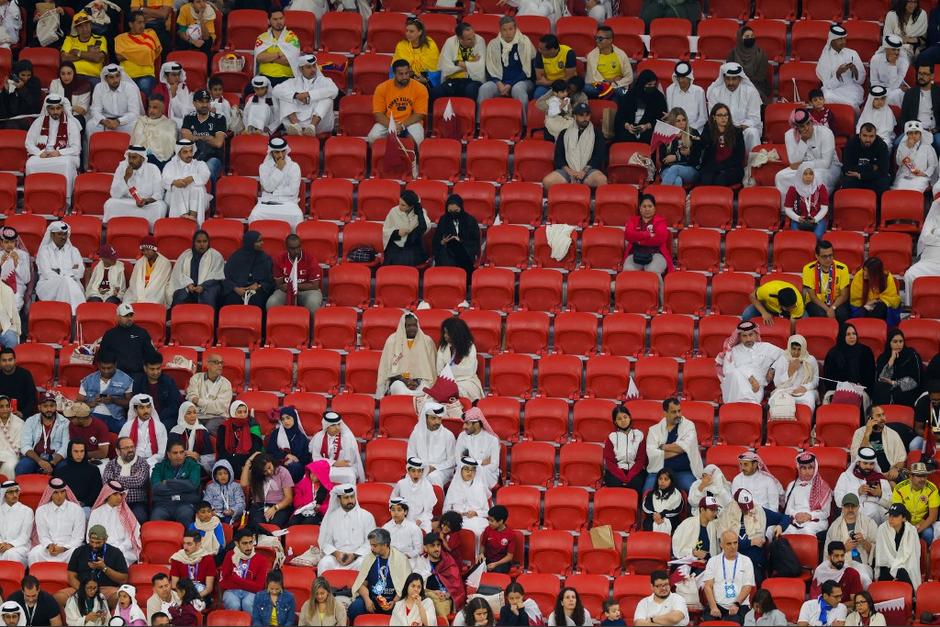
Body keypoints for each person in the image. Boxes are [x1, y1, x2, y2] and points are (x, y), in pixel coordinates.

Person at [25, 97, 81, 206]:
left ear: (62, 108)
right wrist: (40, 153)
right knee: (30, 164)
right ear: (47, 109)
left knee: (65, 164)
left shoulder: (71, 123)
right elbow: (29, 143)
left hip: (65, 155)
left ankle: (65, 200)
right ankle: (34, 198)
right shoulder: (39, 122)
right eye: (52, 109)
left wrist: (59, 153)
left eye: (58, 108)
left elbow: (76, 148)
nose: (55, 111)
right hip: (43, 154)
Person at [776, 108, 842, 200]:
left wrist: (804, 165)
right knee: (780, 176)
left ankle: (815, 209)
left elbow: (826, 163)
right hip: (802, 168)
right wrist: (803, 140)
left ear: (812, 121)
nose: (806, 128)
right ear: (796, 127)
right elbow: (793, 162)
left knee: (815, 177)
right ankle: (787, 209)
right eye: (802, 126)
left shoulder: (825, 133)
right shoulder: (789, 135)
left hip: (828, 168)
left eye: (808, 123)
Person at [346, 527, 410, 622]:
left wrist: (394, 602)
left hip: (393, 600)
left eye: (374, 546)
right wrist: (367, 600)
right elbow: (362, 584)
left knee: (405, 610)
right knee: (355, 608)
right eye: (371, 545)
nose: (371, 549)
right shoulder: (369, 558)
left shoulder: (401, 559)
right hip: (372, 599)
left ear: (385, 545)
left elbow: (405, 587)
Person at [59, 524, 129, 608]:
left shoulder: (115, 553)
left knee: (120, 598)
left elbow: (123, 578)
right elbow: (71, 576)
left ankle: (112, 620)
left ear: (105, 539)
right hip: (82, 588)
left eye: (98, 543)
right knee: (58, 597)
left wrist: (104, 568)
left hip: (106, 589)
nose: (94, 545)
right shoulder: (79, 551)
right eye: (92, 542)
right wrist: (83, 590)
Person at [542, 100, 608, 189]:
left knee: (601, 180)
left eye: (587, 115)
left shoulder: (597, 133)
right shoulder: (564, 133)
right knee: (547, 181)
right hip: (568, 171)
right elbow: (559, 157)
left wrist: (583, 172)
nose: (585, 118)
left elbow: (599, 156)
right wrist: (570, 172)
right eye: (581, 115)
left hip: (588, 171)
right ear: (575, 116)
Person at [717, 321, 785, 404]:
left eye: (750, 335)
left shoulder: (766, 347)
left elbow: (785, 356)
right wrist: (750, 377)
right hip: (735, 388)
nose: (748, 339)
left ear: (756, 334)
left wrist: (773, 368)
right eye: (744, 336)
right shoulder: (733, 351)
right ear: (739, 337)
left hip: (756, 389)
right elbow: (727, 371)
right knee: (735, 372)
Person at [644, 398, 703, 494]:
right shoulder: (654, 430)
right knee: (648, 492)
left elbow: (685, 447)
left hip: (683, 471)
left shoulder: (689, 426)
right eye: (673, 412)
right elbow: (652, 454)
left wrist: (662, 447)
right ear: (665, 413)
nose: (678, 415)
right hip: (659, 473)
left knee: (693, 491)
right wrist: (681, 449)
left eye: (679, 411)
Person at [478, 17, 536, 115]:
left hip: (521, 81)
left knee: (518, 89)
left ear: (515, 29)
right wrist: (498, 83)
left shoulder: (525, 42)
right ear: (500, 30)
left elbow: (528, 71)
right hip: (500, 84)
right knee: (484, 88)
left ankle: (524, 125)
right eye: (504, 30)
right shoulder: (493, 44)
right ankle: (480, 124)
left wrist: (511, 84)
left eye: (510, 29)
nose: (508, 33)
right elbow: (489, 69)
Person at [272, 53, 337, 136]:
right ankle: (296, 126)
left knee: (328, 98)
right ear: (301, 69)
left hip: (318, 125)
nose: (313, 69)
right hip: (297, 122)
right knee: (285, 97)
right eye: (309, 67)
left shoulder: (324, 81)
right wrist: (296, 96)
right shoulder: (293, 82)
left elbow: (334, 90)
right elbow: (276, 90)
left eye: (314, 66)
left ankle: (312, 126)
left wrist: (309, 94)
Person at [104, 146, 167, 229]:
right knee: (110, 204)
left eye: (134, 158)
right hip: (126, 202)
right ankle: (112, 229)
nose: (130, 161)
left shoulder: (153, 169)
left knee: (160, 207)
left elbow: (159, 193)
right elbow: (114, 194)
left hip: (147, 204)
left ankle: (151, 232)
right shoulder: (122, 167)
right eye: (129, 157)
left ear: (142, 159)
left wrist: (147, 201)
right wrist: (126, 178)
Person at [368, 59, 428, 146]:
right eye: (401, 74)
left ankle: (416, 159)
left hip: (411, 122)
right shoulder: (382, 88)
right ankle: (378, 158)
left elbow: (419, 114)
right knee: (373, 137)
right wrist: (392, 126)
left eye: (407, 73)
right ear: (394, 74)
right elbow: (378, 114)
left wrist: (402, 126)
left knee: (417, 139)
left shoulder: (420, 88)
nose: (405, 77)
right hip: (388, 121)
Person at [376, 313, 437, 399]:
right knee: (402, 392)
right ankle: (415, 396)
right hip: (398, 380)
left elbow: (432, 369)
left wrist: (417, 381)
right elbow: (385, 367)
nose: (412, 328)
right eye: (409, 326)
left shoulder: (427, 341)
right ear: (403, 327)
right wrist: (405, 380)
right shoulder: (392, 341)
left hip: (421, 381)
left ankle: (415, 396)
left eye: (414, 325)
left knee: (425, 390)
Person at [317, 484, 376, 572]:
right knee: (324, 563)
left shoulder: (366, 516)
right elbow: (325, 542)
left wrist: (354, 555)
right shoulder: (332, 517)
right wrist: (336, 554)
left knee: (363, 562)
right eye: (346, 498)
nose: (350, 500)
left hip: (358, 557)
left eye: (352, 497)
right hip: (337, 558)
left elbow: (370, 542)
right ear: (339, 499)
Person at [702, 530, 756, 625]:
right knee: (708, 621)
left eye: (735, 543)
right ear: (721, 545)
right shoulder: (713, 561)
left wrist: (736, 604)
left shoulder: (746, 561)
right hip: (718, 604)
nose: (733, 546)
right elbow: (707, 586)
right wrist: (713, 607)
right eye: (729, 544)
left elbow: (747, 587)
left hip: (739, 605)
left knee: (732, 622)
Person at [706, 63, 762, 153]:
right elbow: (713, 117)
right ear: (723, 78)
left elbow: (754, 118)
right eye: (727, 79)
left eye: (734, 79)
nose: (730, 83)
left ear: (740, 78)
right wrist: (727, 129)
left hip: (744, 129)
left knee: (752, 132)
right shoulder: (715, 92)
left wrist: (738, 129)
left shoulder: (750, 92)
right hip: (722, 129)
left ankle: (753, 164)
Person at [29, 477, 85, 567]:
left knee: (76, 554)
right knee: (34, 554)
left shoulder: (77, 509)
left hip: (68, 549)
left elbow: (78, 537)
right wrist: (50, 546)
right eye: (56, 492)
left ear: (66, 492)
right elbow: (43, 535)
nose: (59, 496)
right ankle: (39, 579)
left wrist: (63, 548)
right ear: (50, 493)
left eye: (62, 492)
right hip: (49, 548)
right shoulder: (41, 510)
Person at [249, 139, 304, 230]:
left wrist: (273, 192)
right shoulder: (263, 167)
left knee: (297, 216)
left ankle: (291, 243)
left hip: (288, 203)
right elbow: (268, 187)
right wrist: (279, 169)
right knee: (255, 215)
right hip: (267, 203)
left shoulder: (294, 167)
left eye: (283, 151)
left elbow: (293, 191)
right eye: (277, 152)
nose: (281, 155)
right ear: (271, 152)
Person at [87, 481, 142, 564]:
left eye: (120, 494)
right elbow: (90, 537)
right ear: (107, 495)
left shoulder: (126, 513)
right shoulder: (96, 512)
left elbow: (131, 538)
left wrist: (120, 549)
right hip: (101, 550)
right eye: (115, 494)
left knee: (120, 559)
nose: (119, 497)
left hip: (123, 551)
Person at [834, 448, 892, 525]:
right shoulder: (846, 476)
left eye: (871, 464)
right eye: (865, 463)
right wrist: (857, 492)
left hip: (876, 520)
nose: (868, 466)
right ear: (858, 462)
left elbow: (891, 504)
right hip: (852, 517)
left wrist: (880, 494)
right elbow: (838, 501)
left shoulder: (881, 479)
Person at [415, 531, 465, 619]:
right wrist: (432, 592)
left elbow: (456, 585)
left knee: (436, 603)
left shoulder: (448, 561)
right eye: (432, 546)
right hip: (427, 595)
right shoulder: (421, 562)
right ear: (425, 548)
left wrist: (447, 594)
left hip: (444, 599)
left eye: (438, 545)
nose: (436, 548)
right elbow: (416, 585)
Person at [79, 352, 133, 434]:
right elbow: (78, 403)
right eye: (103, 368)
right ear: (98, 365)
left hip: (116, 417)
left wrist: (113, 400)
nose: (106, 371)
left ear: (115, 365)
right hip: (93, 415)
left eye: (109, 368)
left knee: (128, 431)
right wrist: (90, 404)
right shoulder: (88, 380)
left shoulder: (126, 380)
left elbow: (130, 403)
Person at [17, 391, 69, 475]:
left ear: (56, 406)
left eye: (52, 406)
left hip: (56, 458)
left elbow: (66, 447)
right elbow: (25, 445)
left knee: (65, 469)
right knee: (22, 468)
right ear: (39, 407)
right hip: (35, 457)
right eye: (45, 406)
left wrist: (52, 463)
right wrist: (40, 461)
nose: (49, 409)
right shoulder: (31, 420)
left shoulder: (65, 422)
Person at [850, 406, 908, 482]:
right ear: (869, 419)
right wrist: (867, 433)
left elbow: (902, 459)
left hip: (890, 475)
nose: (883, 418)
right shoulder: (859, 433)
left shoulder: (893, 434)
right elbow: (858, 457)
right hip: (868, 475)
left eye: (883, 415)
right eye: (878, 415)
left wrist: (895, 468)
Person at [822, 323, 876, 403]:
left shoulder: (865, 351)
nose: (852, 336)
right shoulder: (833, 353)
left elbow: (870, 375)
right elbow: (828, 378)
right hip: (838, 390)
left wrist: (860, 385)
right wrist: (841, 386)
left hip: (860, 389)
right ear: (842, 336)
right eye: (848, 334)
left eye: (854, 334)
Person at [150, 441, 201, 525]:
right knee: (156, 519)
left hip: (185, 503)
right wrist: (182, 486)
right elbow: (156, 488)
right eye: (175, 453)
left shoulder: (193, 466)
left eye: (181, 452)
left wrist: (168, 482)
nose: (179, 455)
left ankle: (187, 537)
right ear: (168, 454)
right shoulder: (159, 467)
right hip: (163, 504)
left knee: (186, 515)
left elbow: (192, 485)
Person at [98, 304, 156, 378]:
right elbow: (102, 356)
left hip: (138, 375)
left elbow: (151, 354)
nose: (129, 318)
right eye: (126, 316)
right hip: (116, 376)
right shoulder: (110, 335)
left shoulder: (142, 333)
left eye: (131, 315)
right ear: (118, 317)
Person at [816, 25, 866, 110]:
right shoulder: (825, 58)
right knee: (826, 97)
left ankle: (854, 121)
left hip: (851, 88)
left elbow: (861, 81)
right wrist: (838, 73)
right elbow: (827, 85)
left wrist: (855, 71)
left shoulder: (852, 53)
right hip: (833, 90)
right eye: (840, 39)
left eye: (844, 39)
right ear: (832, 41)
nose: (844, 42)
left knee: (852, 103)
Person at [101, 438, 151, 523]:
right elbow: (108, 483)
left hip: (136, 502)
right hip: (114, 501)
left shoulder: (142, 463)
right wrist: (128, 481)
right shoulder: (111, 464)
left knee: (140, 517)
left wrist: (116, 479)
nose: (130, 450)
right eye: (126, 448)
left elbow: (138, 481)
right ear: (118, 451)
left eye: (132, 447)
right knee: (106, 517)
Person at [162, 139, 212, 224]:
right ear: (178, 153)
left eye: (190, 151)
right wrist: (174, 182)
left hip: (198, 199)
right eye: (185, 152)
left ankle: (193, 216)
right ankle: (182, 216)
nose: (189, 154)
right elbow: (164, 179)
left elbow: (205, 175)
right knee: (176, 187)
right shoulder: (170, 165)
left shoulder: (200, 164)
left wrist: (192, 178)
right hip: (174, 199)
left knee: (197, 187)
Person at [782, 452, 832, 536]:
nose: (807, 471)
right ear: (799, 469)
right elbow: (788, 510)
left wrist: (810, 516)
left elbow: (826, 513)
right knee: (786, 531)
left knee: (807, 531)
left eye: (810, 468)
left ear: (815, 468)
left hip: (816, 520)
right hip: (795, 519)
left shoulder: (823, 487)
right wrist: (796, 515)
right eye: (804, 468)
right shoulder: (792, 486)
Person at [170, 230, 224, 308]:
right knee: (179, 295)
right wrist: (188, 284)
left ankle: (208, 319)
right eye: (198, 241)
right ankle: (178, 319)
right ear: (194, 243)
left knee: (208, 295)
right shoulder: (186, 255)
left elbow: (217, 275)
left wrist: (203, 286)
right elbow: (178, 273)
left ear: (208, 242)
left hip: (209, 286)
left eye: (204, 241)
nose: (202, 244)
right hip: (189, 286)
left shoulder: (216, 256)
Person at [407, 402, 457, 487]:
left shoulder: (448, 435)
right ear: (425, 418)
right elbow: (411, 455)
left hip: (442, 469)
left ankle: (437, 500)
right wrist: (419, 468)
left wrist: (434, 467)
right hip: (419, 468)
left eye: (439, 418)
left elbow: (452, 461)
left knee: (433, 477)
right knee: (409, 478)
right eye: (433, 418)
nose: (437, 422)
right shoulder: (416, 433)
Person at [432, 194, 481, 280]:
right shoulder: (443, 219)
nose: (453, 213)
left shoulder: (470, 220)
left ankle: (461, 283)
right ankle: (446, 282)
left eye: (456, 210)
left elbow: (474, 241)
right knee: (445, 255)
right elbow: (436, 239)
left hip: (465, 248)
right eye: (450, 211)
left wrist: (461, 241)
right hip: (447, 249)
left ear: (461, 208)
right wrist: (442, 241)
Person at [220, 529, 271, 612]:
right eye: (245, 543)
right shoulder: (230, 555)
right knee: (233, 604)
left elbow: (259, 587)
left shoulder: (262, 560)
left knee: (247, 603)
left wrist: (234, 578)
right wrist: (250, 584)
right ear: (237, 544)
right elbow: (223, 583)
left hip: (252, 593)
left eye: (250, 542)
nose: (249, 547)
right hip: (232, 592)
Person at [221, 231, 275, 309]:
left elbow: (270, 280)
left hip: (257, 290)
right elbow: (225, 277)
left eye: (262, 240)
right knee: (232, 300)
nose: (262, 243)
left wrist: (259, 286)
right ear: (250, 242)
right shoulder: (236, 257)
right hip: (237, 288)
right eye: (258, 241)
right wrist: (235, 288)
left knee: (256, 299)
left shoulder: (264, 258)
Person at [434, 23, 486, 103]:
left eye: (473, 36)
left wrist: (458, 63)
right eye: (469, 39)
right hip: (453, 79)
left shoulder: (479, 40)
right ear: (460, 39)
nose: (473, 40)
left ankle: (470, 114)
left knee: (470, 90)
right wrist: (470, 64)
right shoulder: (450, 42)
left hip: (472, 80)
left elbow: (480, 67)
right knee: (437, 91)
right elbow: (447, 68)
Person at [88, 65, 144, 139]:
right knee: (90, 126)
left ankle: (130, 151)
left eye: (117, 76)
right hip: (106, 120)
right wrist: (103, 121)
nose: (115, 80)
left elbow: (134, 112)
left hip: (125, 121)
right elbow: (95, 110)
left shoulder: (129, 88)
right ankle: (95, 150)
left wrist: (118, 121)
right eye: (111, 77)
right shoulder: (99, 88)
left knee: (136, 127)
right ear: (106, 78)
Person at [622, 193, 673, 275]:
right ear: (640, 209)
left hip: (656, 254)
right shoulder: (633, 220)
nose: (647, 209)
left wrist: (639, 241)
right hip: (635, 254)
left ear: (654, 208)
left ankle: (659, 288)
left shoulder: (661, 221)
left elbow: (659, 239)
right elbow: (628, 235)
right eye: (644, 206)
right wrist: (647, 234)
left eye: (650, 206)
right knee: (628, 270)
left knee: (652, 271)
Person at [309, 410, 364, 485]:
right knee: (312, 476)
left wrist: (333, 463)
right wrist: (334, 463)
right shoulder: (319, 437)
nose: (337, 427)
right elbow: (316, 458)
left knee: (350, 476)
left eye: (339, 424)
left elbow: (347, 462)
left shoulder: (347, 437)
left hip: (345, 469)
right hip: (325, 467)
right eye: (333, 425)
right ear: (327, 426)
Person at [697, 103, 746, 186]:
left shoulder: (737, 132)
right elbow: (702, 146)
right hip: (712, 167)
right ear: (714, 117)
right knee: (706, 179)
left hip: (732, 168)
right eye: (720, 115)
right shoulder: (708, 131)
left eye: (726, 115)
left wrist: (722, 166)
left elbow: (739, 156)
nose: (723, 118)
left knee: (720, 180)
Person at [240, 451, 293, 527]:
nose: (269, 471)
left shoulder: (282, 472)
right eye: (264, 471)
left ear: (271, 461)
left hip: (279, 505)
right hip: (259, 505)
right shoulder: (256, 474)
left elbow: (288, 498)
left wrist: (275, 508)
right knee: (257, 525)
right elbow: (243, 484)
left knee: (275, 524)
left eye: (269, 467)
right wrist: (248, 462)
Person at [613, 69, 667, 143]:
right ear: (642, 84)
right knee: (623, 136)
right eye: (649, 85)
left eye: (654, 85)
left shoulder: (658, 97)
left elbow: (662, 118)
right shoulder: (629, 95)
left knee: (650, 137)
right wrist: (628, 126)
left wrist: (647, 126)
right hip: (629, 128)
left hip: (648, 129)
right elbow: (620, 116)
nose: (652, 87)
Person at [443, 456, 491, 538]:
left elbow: (487, 511)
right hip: (456, 520)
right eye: (466, 469)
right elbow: (445, 510)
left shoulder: (480, 487)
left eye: (473, 470)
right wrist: (455, 514)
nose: (470, 472)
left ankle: (477, 551)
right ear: (460, 470)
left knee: (478, 530)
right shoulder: (454, 486)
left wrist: (476, 513)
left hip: (476, 519)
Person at [874, 503, 922, 586]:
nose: (891, 519)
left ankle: (912, 596)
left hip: (905, 565)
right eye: (890, 515)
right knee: (895, 572)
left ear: (903, 518)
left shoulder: (912, 531)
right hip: (886, 566)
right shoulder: (882, 529)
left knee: (903, 572)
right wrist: (895, 568)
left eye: (895, 516)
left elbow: (914, 555)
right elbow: (881, 555)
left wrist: (898, 567)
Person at [802, 241, 852, 321]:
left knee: (841, 313)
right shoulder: (808, 269)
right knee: (821, 314)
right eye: (824, 257)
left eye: (830, 255)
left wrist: (832, 308)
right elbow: (813, 297)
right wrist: (827, 309)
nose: (828, 259)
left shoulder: (842, 268)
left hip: (836, 302)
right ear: (817, 256)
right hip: (816, 302)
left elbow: (844, 295)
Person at [134, 355, 184, 434]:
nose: (156, 372)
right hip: (144, 417)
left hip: (166, 418)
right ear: (145, 368)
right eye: (152, 369)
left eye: (158, 368)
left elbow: (174, 405)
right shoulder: (138, 382)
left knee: (160, 428)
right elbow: (136, 404)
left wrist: (157, 418)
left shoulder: (168, 381)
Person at [603, 404, 647, 492]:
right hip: (617, 471)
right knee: (615, 484)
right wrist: (622, 477)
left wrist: (630, 476)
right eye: (619, 419)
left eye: (625, 417)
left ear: (630, 417)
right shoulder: (612, 437)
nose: (623, 420)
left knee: (636, 483)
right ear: (615, 422)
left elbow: (641, 460)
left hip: (635, 471)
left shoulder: (639, 435)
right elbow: (610, 461)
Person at [437, 318, 484, 401]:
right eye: (444, 332)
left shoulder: (470, 346)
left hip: (467, 381)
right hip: (447, 382)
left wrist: (448, 371)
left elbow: (467, 371)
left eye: (447, 333)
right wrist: (448, 375)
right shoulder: (443, 347)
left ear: (456, 334)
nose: (445, 336)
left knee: (453, 393)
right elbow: (439, 370)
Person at [892, 461, 939, 542]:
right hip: (905, 522)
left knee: (928, 533)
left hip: (924, 523)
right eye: (919, 476)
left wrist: (916, 530)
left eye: (925, 476)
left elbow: (933, 517)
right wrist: (907, 529)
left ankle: (927, 552)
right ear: (910, 476)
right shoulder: (899, 488)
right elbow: (897, 513)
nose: (923, 479)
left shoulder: (932, 489)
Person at [114, 12, 161, 94]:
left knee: (144, 87)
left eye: (144, 22)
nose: (143, 26)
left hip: (146, 75)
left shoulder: (150, 33)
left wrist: (128, 52)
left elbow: (155, 52)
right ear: (131, 24)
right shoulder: (120, 38)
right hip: (126, 76)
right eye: (139, 23)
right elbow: (119, 57)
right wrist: (143, 52)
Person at [839, 122, 892, 195]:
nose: (868, 139)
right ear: (859, 135)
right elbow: (847, 168)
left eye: (871, 136)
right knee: (847, 181)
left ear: (875, 136)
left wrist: (861, 175)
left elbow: (883, 171)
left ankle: (878, 206)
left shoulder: (882, 146)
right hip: (856, 178)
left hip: (871, 178)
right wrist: (871, 167)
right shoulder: (851, 144)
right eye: (865, 135)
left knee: (883, 183)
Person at [875, 329, 923, 406]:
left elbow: (915, 381)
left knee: (898, 392)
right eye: (895, 342)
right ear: (889, 343)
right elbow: (881, 380)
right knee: (881, 389)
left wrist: (895, 383)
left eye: (901, 341)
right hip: (887, 393)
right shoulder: (882, 358)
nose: (898, 344)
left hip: (907, 391)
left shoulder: (912, 356)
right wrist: (891, 360)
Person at [253, 9, 301, 86]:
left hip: (286, 78)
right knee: (248, 90)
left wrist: (269, 58)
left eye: (281, 18)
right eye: (275, 19)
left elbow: (290, 61)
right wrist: (278, 54)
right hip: (264, 77)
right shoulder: (262, 37)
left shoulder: (292, 37)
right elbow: (259, 58)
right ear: (269, 21)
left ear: (284, 19)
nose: (279, 22)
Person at [771, 335, 820, 411]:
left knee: (809, 399)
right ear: (790, 347)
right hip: (786, 389)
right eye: (794, 349)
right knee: (775, 400)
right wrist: (789, 372)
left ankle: (805, 421)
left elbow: (815, 381)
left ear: (803, 348)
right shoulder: (783, 359)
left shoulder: (810, 360)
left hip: (806, 391)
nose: (796, 352)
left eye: (799, 349)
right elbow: (777, 382)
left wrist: (805, 387)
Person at [117, 394, 167, 470]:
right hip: (131, 463)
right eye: (141, 408)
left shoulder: (160, 426)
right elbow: (120, 448)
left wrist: (147, 462)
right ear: (135, 410)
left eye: (148, 407)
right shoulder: (127, 426)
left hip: (154, 463)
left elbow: (162, 452)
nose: (146, 411)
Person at [905, 200, 940, 306]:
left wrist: (935, 235)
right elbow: (925, 237)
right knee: (910, 274)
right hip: (929, 259)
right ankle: (910, 307)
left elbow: (930, 237)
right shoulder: (935, 210)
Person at [382, 190, 430, 267]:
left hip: (413, 245)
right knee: (394, 258)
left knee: (407, 258)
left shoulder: (420, 213)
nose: (399, 206)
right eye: (399, 203)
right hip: (396, 243)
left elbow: (424, 228)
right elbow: (386, 231)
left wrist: (419, 213)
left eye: (403, 205)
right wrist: (397, 232)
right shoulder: (393, 211)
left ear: (411, 206)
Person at [215, 400, 263, 477]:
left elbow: (256, 446)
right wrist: (239, 466)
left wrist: (248, 463)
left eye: (245, 412)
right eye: (239, 412)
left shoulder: (251, 424)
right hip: (229, 458)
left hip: (247, 458)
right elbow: (221, 449)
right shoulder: (224, 427)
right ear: (233, 412)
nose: (243, 415)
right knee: (230, 466)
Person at [186, 354, 233, 432]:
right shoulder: (196, 378)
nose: (220, 365)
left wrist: (199, 402)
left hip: (217, 417)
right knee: (188, 428)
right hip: (197, 415)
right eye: (216, 362)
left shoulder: (226, 383)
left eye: (221, 363)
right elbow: (191, 397)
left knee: (207, 430)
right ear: (208, 365)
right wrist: (208, 404)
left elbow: (220, 407)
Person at [455, 408, 500, 489]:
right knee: (460, 473)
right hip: (467, 469)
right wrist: (481, 462)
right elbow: (458, 459)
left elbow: (494, 465)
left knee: (480, 475)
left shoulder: (492, 439)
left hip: (487, 473)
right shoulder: (462, 436)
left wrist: (474, 468)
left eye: (467, 424)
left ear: (477, 424)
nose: (464, 426)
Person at [900, 64, 940, 153]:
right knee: (896, 143)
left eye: (925, 74)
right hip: (914, 129)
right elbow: (903, 118)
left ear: (932, 76)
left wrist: (936, 129)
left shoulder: (938, 92)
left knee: (939, 142)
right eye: (920, 73)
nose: (921, 76)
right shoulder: (910, 93)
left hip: (934, 130)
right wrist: (910, 131)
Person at [584, 26, 632, 99]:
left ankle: (609, 95)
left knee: (623, 93)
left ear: (610, 40)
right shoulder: (591, 55)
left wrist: (613, 84)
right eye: (596, 38)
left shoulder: (621, 54)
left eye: (600, 39)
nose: (597, 41)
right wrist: (610, 81)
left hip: (617, 86)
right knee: (586, 88)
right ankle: (608, 94)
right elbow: (591, 79)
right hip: (599, 87)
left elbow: (629, 77)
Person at [264, 406, 309, 483]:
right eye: (283, 419)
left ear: (294, 418)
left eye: (288, 418)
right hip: (278, 462)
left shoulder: (301, 437)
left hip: (296, 468)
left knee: (294, 466)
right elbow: (270, 452)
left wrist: (295, 460)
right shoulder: (276, 433)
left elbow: (306, 457)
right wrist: (285, 457)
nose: (285, 421)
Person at [658, 107, 702, 186]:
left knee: (675, 168)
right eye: (678, 121)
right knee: (677, 180)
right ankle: (676, 198)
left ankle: (659, 196)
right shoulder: (666, 135)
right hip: (668, 169)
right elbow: (663, 159)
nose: (682, 123)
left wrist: (677, 157)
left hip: (690, 169)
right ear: (672, 122)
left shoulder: (693, 134)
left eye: (684, 120)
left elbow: (696, 159)